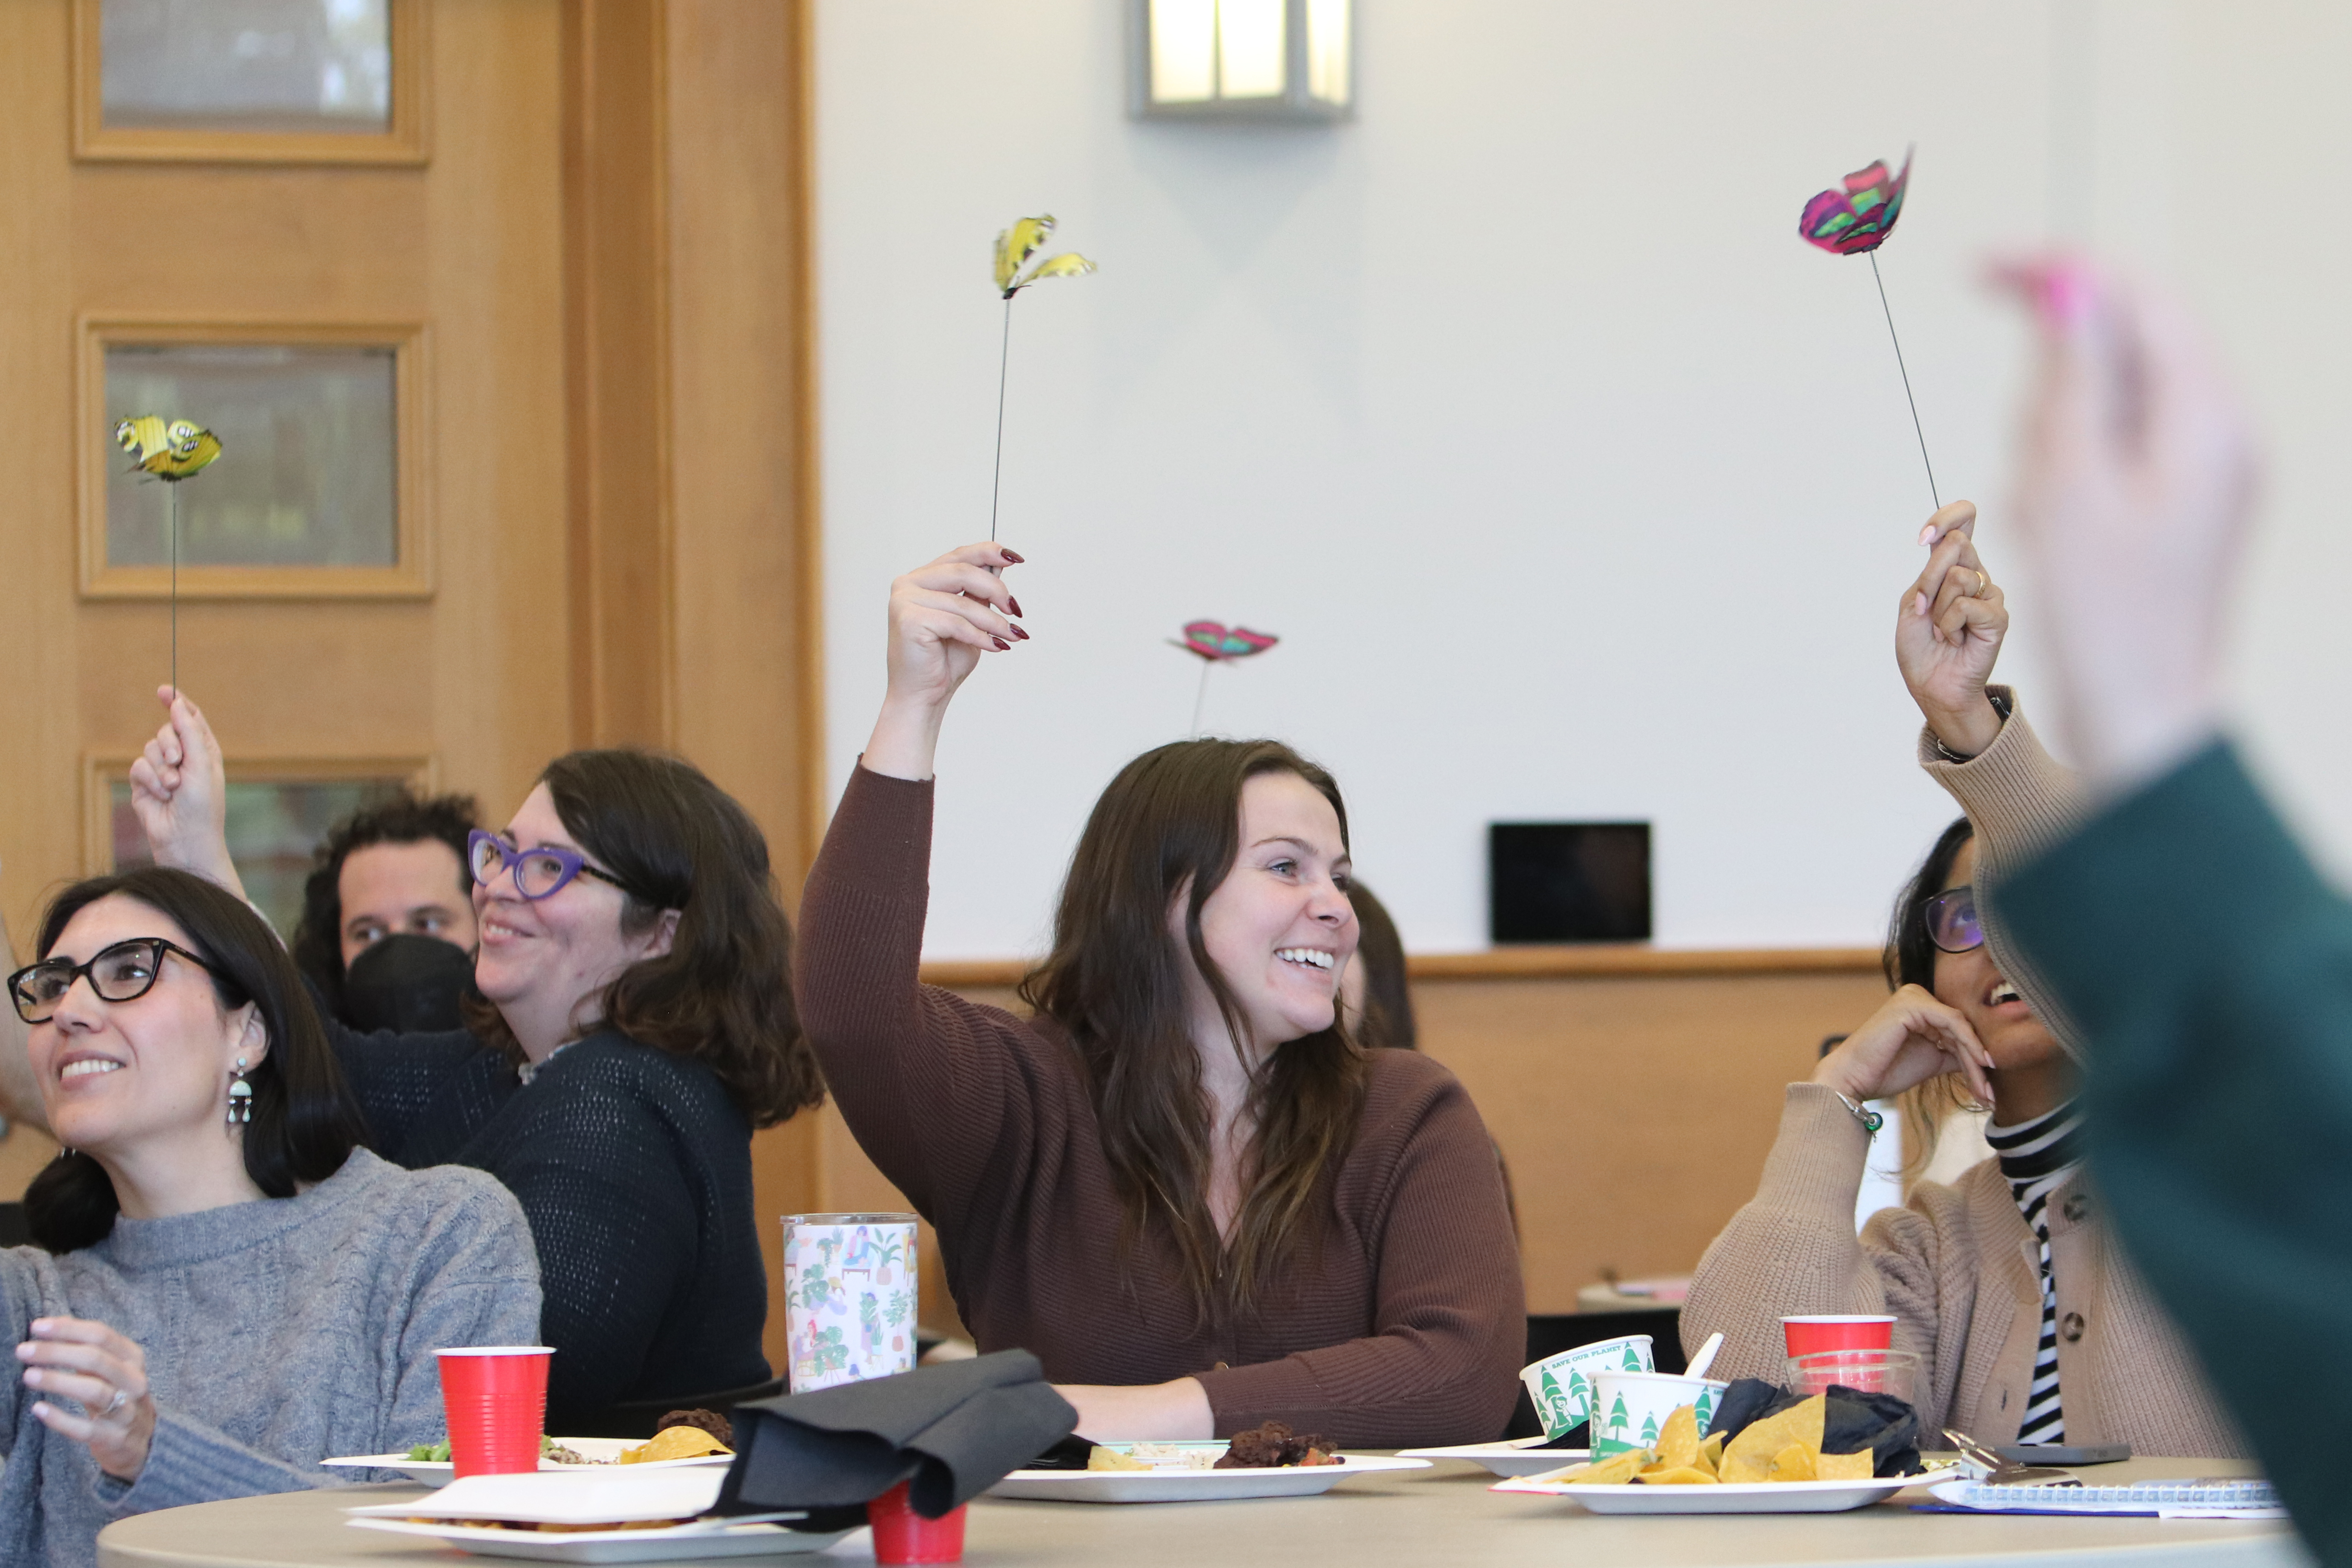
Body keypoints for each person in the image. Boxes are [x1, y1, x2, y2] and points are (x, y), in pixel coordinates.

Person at [796, 542, 1523, 1447]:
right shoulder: (1023, 1101)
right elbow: (850, 1009)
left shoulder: (1407, 1110)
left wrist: (1127, 1415)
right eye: (1285, 868)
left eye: (1338, 876)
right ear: (1158, 900)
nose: (1335, 909)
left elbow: (1461, 1375)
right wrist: (914, 705)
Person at [1677, 497, 2243, 1456]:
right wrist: (1835, 1096)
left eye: (2024, 909)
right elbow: (1766, 1417)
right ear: (1924, 980)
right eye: (1967, 918)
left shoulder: (2214, 1155)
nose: (2000, 947)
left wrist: (1966, 723)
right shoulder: (1928, 1247)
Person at [1933, 264, 2344, 1553]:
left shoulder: (2174, 1143)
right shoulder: (1942, 1226)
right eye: (1958, 930)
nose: (1993, 959)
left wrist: (2140, 688)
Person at [120, 691, 825, 1429]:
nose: (497, 887)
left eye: (548, 867)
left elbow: (515, 1372)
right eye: (502, 853)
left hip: (609, 1535)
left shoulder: (618, 1095)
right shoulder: (520, 1064)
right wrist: (196, 854)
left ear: (661, 934)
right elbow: (336, 1068)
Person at [2, 865, 538, 1568]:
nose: (69, 1009)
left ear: (247, 1032)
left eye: (129, 970)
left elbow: (443, 1553)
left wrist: (155, 1451)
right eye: (50, 985)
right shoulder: (29, 1301)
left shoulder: (439, 1234)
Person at [290, 790, 481, 1029]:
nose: (400, 955)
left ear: (484, 925)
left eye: (428, 924)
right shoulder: (309, 1064)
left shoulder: (529, 1060)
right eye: (368, 933)